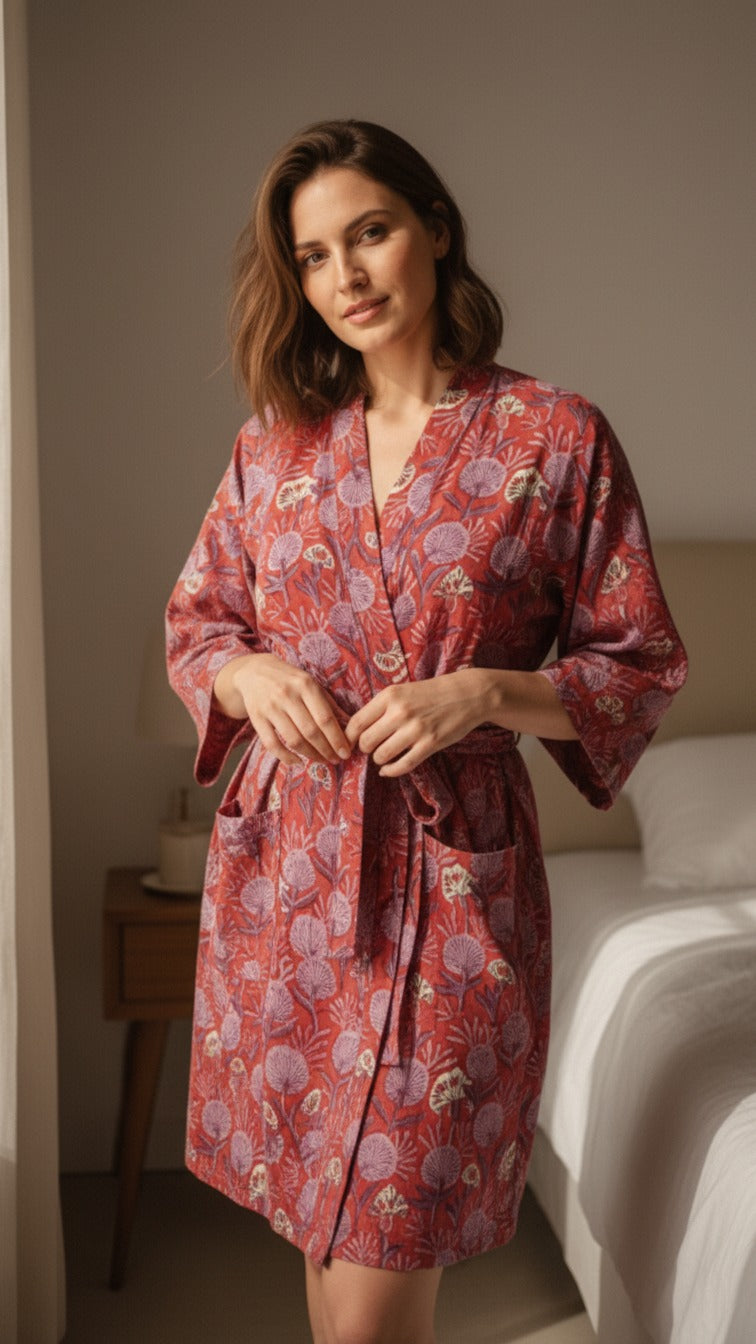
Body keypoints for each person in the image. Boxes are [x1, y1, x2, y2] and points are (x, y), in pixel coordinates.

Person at [165, 119, 687, 1344]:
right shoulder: (273, 447)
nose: (345, 275)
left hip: (456, 891)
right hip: (289, 879)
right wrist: (245, 676)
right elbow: (197, 624)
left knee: (379, 1277)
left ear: (435, 230)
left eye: (371, 233)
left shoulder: (555, 439)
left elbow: (639, 661)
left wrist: (490, 693)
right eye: (312, 256)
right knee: (325, 1241)